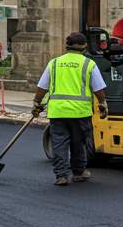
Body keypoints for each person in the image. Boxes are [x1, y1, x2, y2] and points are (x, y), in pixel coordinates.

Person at [32, 31, 109, 185]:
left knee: (59, 144)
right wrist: (102, 104)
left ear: (66, 47)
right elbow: (98, 89)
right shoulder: (89, 64)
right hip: (80, 112)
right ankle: (79, 172)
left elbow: (42, 87)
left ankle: (61, 175)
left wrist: (36, 103)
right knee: (78, 142)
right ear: (85, 47)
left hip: (58, 112)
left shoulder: (54, 63)